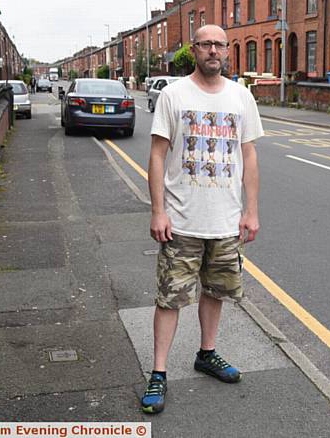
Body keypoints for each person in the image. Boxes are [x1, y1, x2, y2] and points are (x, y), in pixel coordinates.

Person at [142, 24, 264, 415]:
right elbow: (158, 154)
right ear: (193, 50)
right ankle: (159, 372)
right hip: (181, 221)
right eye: (206, 44)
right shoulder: (173, 95)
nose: (213, 50)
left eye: (219, 44)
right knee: (170, 298)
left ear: (227, 51)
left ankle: (206, 354)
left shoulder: (241, 96)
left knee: (215, 292)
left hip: (226, 221)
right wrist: (157, 210)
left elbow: (249, 157)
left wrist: (251, 210)